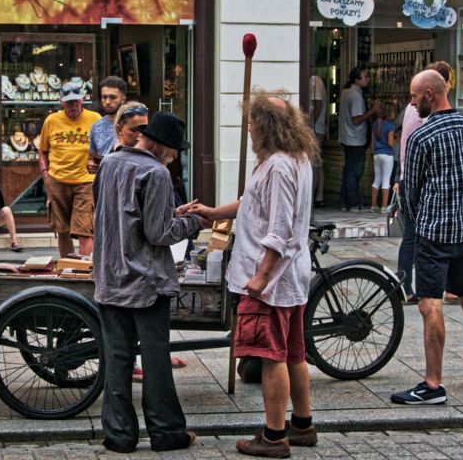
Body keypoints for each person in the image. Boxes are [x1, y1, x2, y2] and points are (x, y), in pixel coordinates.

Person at [191, 91, 319, 458]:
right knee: (294, 353)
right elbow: (252, 202)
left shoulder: (280, 165)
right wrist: (215, 213)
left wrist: (261, 277)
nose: (247, 130)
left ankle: (274, 436)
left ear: (265, 126)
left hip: (272, 281)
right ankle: (303, 425)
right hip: (290, 278)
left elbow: (279, 228)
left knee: (270, 356)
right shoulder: (294, 159)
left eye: (250, 123)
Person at [93, 111, 205, 454]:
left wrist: (173, 212)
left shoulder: (109, 163)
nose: (173, 158)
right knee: (156, 362)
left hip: (110, 276)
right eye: (173, 152)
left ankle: (119, 435)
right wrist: (193, 223)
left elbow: (120, 215)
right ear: (160, 146)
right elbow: (158, 234)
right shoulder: (156, 173)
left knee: (117, 359)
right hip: (146, 282)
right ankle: (167, 432)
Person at [391, 70, 463, 405]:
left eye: (413, 95)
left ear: (430, 93)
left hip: (434, 231)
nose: (411, 101)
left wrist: (419, 224)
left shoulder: (422, 137)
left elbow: (411, 190)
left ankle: (433, 384)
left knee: (429, 303)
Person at [394, 61, 453, 304]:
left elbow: (404, 145)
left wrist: (400, 175)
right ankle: (408, 285)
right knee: (417, 234)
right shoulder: (424, 112)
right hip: (422, 181)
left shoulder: (411, 108)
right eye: (447, 83)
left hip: (408, 176)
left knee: (412, 233)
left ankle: (406, 284)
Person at [38, 81, 101, 258]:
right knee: (62, 228)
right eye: (68, 102)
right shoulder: (51, 120)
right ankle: (67, 268)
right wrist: (45, 175)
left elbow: (106, 148)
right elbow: (42, 151)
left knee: (85, 229)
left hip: (86, 182)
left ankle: (84, 271)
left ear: (82, 99)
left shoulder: (95, 119)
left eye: (76, 101)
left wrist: (98, 164)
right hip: (57, 180)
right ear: (61, 102)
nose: (72, 105)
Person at [339, 66, 381, 211]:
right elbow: (357, 119)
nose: (368, 79)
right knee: (355, 172)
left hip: (347, 137)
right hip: (355, 139)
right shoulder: (355, 96)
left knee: (348, 170)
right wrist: (373, 111)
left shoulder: (346, 92)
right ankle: (354, 202)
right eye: (365, 77)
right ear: (357, 80)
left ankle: (345, 202)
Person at [87, 76, 127, 174]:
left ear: (123, 99)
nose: (108, 102)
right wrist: (91, 164)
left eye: (113, 97)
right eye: (104, 97)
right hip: (103, 183)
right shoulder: (96, 126)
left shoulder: (131, 124)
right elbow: (92, 156)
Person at [370, 103, 398, 213]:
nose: (395, 114)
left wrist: (372, 154)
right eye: (394, 112)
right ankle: (384, 206)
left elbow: (372, 142)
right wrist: (397, 139)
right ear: (390, 114)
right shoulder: (390, 125)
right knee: (386, 180)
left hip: (377, 154)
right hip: (387, 154)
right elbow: (390, 143)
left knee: (376, 179)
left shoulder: (375, 124)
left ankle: (373, 205)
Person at [310, 74, 327, 207]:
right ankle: (318, 196)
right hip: (317, 127)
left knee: (313, 163)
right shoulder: (314, 80)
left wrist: (311, 125)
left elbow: (318, 104)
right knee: (317, 163)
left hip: (315, 128)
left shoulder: (315, 80)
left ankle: (314, 196)